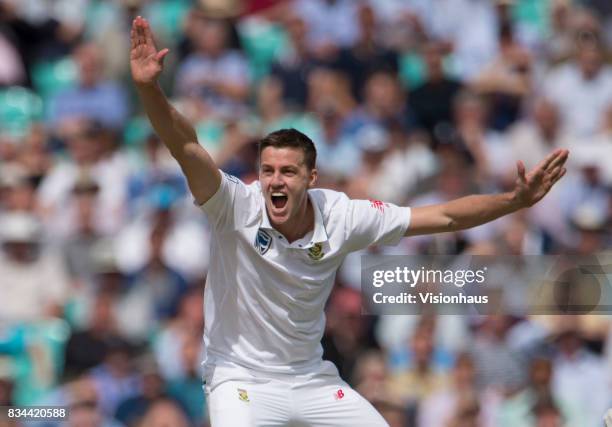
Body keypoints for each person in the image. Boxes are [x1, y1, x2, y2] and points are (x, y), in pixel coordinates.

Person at [130, 16, 569, 427]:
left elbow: (446, 215)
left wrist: (513, 201)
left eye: (288, 172)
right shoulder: (234, 205)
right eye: (267, 171)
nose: (274, 182)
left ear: (311, 177)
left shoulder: (342, 215)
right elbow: (183, 144)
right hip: (239, 378)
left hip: (310, 378)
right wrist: (151, 90)